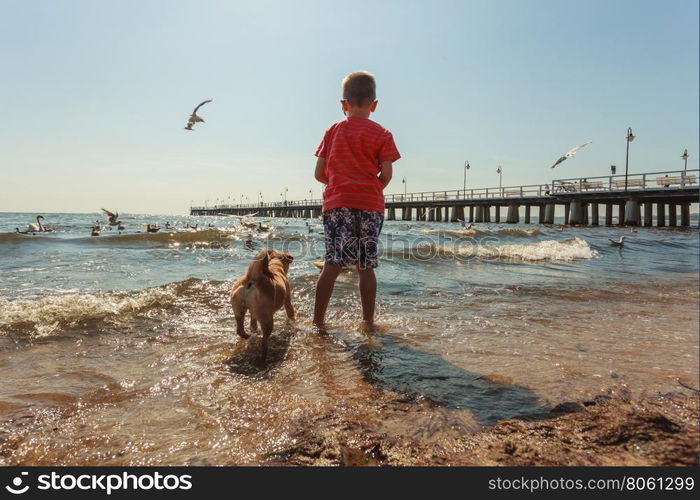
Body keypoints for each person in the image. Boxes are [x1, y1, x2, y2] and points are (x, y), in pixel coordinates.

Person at [312, 71, 400, 331]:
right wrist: (370, 188)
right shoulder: (383, 134)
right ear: (374, 105)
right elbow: (386, 175)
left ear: (343, 105)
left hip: (338, 205)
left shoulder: (333, 131)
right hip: (370, 207)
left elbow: (319, 174)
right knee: (365, 267)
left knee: (331, 265)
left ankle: (318, 321)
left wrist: (340, 183)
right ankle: (368, 322)